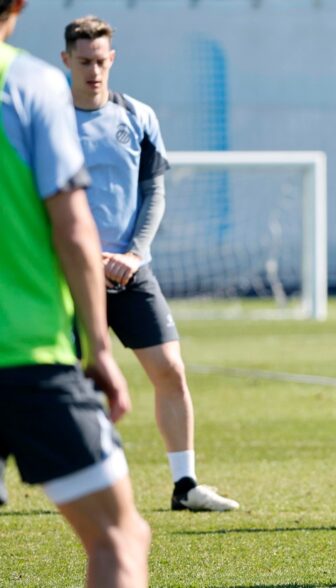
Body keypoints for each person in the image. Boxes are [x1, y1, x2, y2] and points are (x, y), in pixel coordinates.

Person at [60, 15, 239, 511]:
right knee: (43, 378)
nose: (94, 71)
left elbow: (152, 189)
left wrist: (134, 253)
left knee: (170, 371)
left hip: (129, 270)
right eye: (84, 62)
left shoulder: (137, 115)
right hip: (65, 274)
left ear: (111, 59)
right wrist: (83, 255)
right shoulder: (48, 120)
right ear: (66, 61)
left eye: (101, 61)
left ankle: (185, 485)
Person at [0, 0, 151, 584]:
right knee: (120, 537)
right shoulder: (32, 84)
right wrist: (100, 349)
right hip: (28, 354)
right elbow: (72, 225)